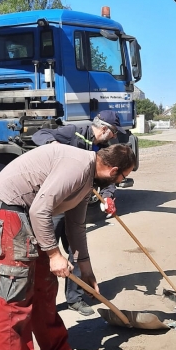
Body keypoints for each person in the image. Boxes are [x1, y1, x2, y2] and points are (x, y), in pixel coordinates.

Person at [0, 143, 137, 350]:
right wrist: (54, 254)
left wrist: (86, 270)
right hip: (8, 213)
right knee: (15, 301)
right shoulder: (77, 167)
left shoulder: (87, 178)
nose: (121, 182)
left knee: (45, 288)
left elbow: (76, 225)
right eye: (123, 177)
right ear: (113, 171)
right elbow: (40, 210)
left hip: (28, 216)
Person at [32, 110, 123, 316]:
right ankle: (42, 303)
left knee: (77, 251)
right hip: (57, 203)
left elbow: (109, 177)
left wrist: (108, 196)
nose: (115, 136)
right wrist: (54, 146)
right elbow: (40, 135)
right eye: (114, 132)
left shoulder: (104, 149)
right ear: (104, 129)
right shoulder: (74, 131)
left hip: (77, 203)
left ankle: (75, 298)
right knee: (48, 252)